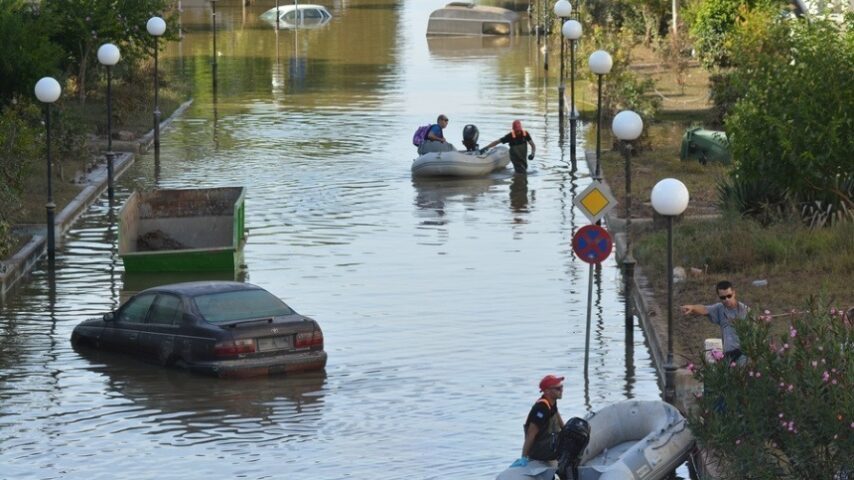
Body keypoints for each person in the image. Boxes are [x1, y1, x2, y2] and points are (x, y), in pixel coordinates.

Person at [681, 280, 749, 363]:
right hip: (729, 356)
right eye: (723, 297)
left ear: (734, 293)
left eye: (729, 296)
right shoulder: (720, 308)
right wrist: (692, 308)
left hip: (743, 354)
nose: (726, 299)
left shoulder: (745, 310)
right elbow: (705, 309)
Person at [510, 374, 565, 468]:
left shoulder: (552, 402)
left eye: (561, 387)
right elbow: (531, 434)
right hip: (539, 451)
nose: (561, 390)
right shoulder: (541, 409)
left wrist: (567, 432)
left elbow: (558, 418)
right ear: (547, 391)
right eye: (557, 388)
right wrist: (524, 457)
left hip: (549, 443)